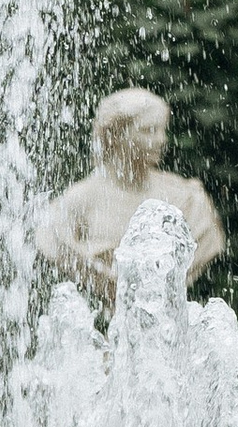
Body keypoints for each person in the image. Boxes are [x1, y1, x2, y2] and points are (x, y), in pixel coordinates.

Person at [33, 87, 225, 305]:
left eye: (162, 130)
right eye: (148, 130)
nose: (161, 140)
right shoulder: (79, 201)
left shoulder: (187, 198)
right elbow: (53, 243)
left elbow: (206, 244)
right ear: (115, 135)